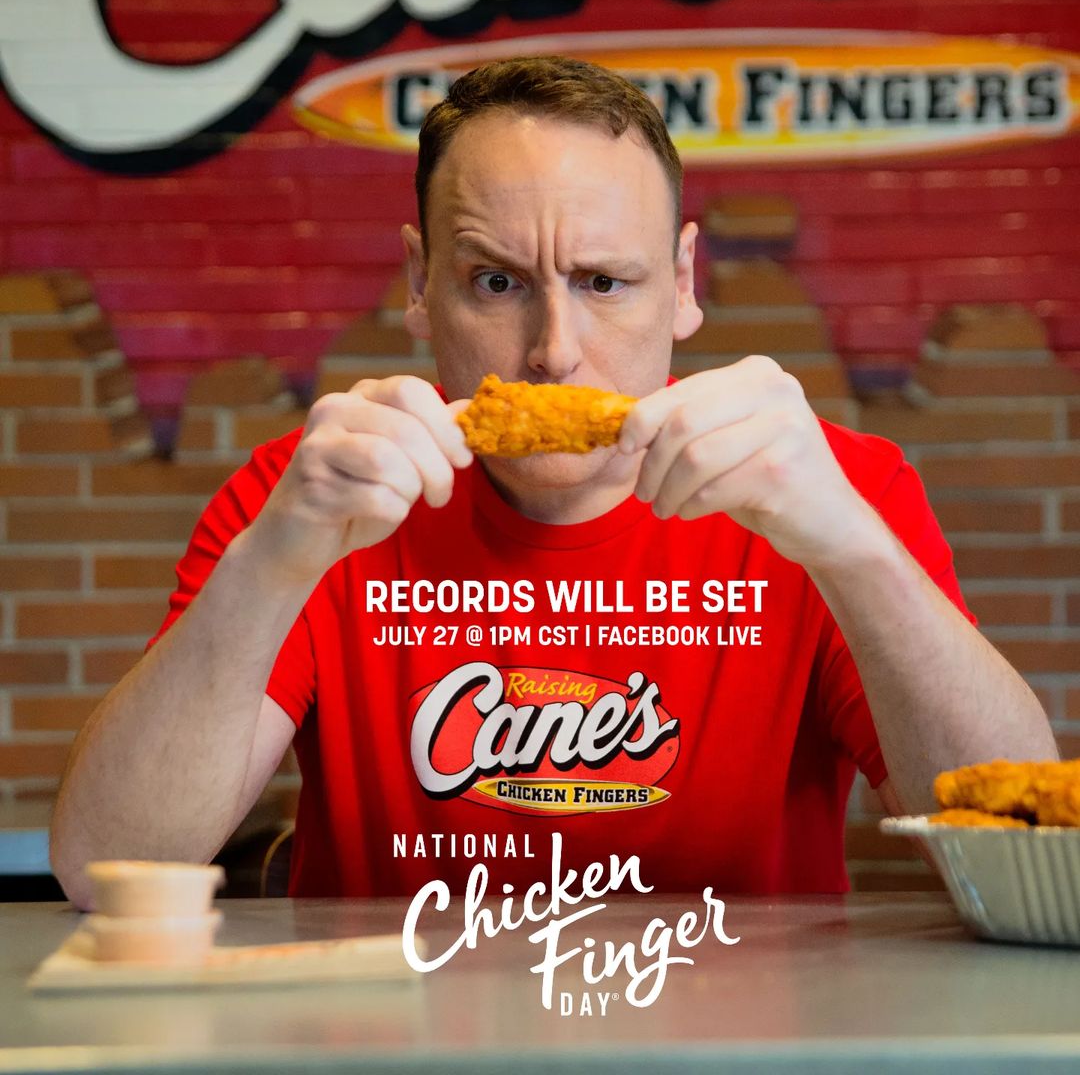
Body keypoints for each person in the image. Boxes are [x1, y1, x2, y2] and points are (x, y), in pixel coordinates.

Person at [51, 57, 1056, 908]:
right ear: (421, 283)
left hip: (744, 1036)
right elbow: (106, 868)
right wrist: (272, 562)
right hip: (389, 1039)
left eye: (604, 282)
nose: (554, 351)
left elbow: (1018, 848)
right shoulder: (306, 499)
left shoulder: (835, 489)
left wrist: (856, 552)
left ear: (683, 282)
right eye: (497, 283)